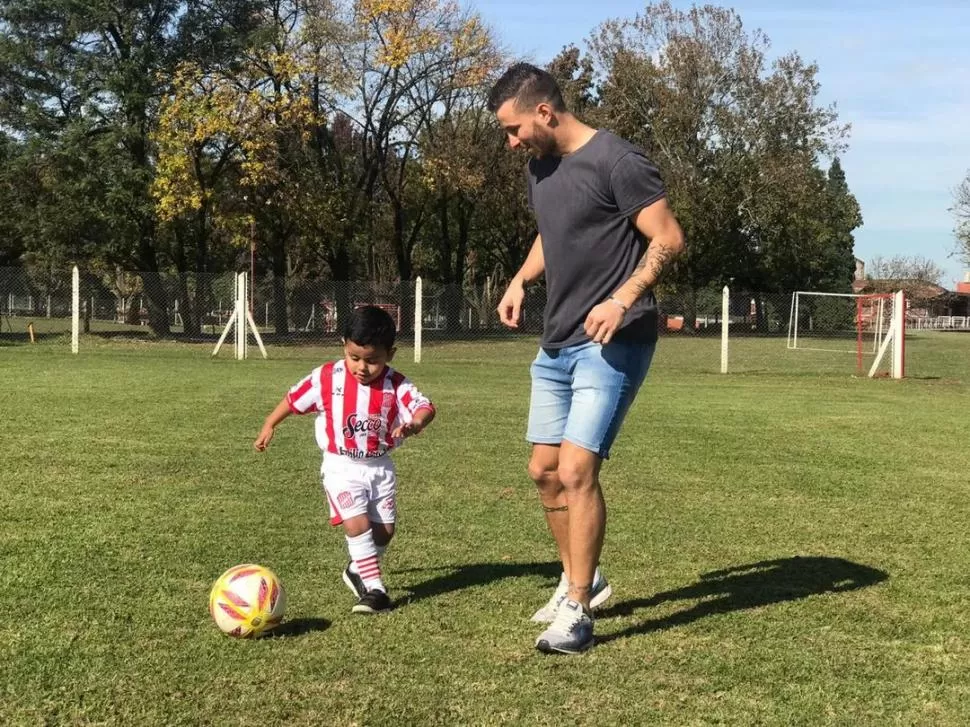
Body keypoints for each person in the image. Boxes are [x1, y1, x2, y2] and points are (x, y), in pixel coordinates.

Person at [487, 63, 686, 653]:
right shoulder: (539, 169)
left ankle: (577, 611)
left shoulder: (618, 162)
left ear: (544, 112)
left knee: (577, 470)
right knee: (543, 472)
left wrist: (623, 299)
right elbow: (552, 233)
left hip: (613, 341)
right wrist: (521, 279)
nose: (512, 141)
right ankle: (584, 577)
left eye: (515, 128)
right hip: (558, 341)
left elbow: (668, 238)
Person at [254, 305, 436, 614]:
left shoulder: (396, 384)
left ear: (389, 354)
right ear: (344, 347)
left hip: (379, 466)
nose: (362, 367)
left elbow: (425, 406)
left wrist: (416, 423)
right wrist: (270, 424)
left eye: (372, 360)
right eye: (354, 358)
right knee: (356, 523)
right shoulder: (327, 377)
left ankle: (356, 569)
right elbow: (293, 399)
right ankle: (375, 589)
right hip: (341, 465)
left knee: (385, 531)